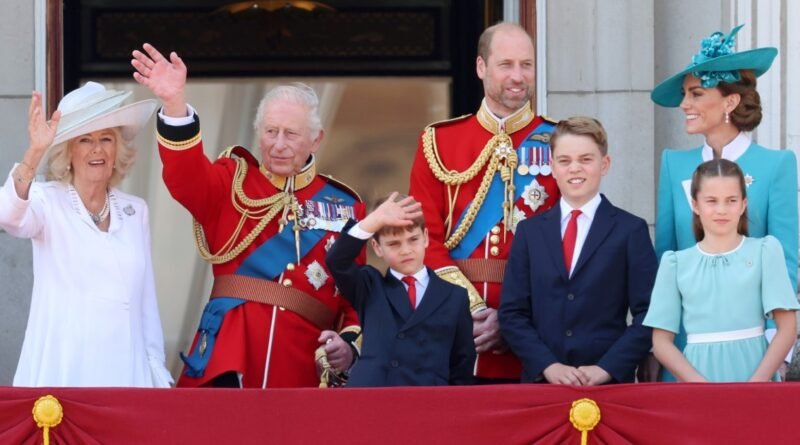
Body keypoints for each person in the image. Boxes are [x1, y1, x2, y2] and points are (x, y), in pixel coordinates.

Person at [131, 44, 364, 388]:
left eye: (291, 134)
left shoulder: (346, 207)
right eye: (270, 132)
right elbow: (186, 178)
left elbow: (356, 298)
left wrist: (348, 345)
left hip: (301, 369)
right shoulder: (231, 181)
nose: (278, 144)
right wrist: (175, 105)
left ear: (316, 140)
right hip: (228, 360)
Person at [409, 21, 559, 382]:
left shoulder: (560, 143)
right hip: (455, 329)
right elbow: (422, 239)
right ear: (481, 68)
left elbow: (570, 246)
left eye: (527, 64)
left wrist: (511, 320)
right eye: (506, 64)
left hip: (534, 337)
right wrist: (472, 309)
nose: (518, 76)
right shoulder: (439, 141)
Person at [0, 83, 172, 387]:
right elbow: (8, 216)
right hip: (64, 373)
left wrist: (155, 372)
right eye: (85, 140)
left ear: (117, 149)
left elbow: (146, 304)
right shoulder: (46, 201)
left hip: (127, 378)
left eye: (106, 138)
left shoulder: (135, 211)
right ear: (68, 152)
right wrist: (34, 153)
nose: (97, 149)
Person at [651, 24, 798, 381]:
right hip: (685, 354)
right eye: (686, 95)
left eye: (697, 94)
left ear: (730, 101)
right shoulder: (674, 163)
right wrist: (658, 350)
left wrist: (775, 351)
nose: (685, 105)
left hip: (754, 353)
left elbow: (788, 262)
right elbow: (664, 255)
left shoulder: (776, 165)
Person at [498, 116, 656, 385]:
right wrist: (547, 365)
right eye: (565, 160)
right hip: (542, 384)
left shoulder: (631, 230)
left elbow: (650, 313)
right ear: (552, 166)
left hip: (608, 385)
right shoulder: (529, 233)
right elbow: (512, 314)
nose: (575, 169)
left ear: (604, 164)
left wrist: (607, 368)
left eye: (586, 159)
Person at [645, 159, 799, 382]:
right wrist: (699, 385)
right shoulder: (675, 264)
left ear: (743, 204)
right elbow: (660, 342)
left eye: (731, 200)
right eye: (711, 201)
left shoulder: (765, 251)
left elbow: (787, 329)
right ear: (695, 205)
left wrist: (755, 385)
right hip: (697, 380)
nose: (721, 210)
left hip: (755, 374)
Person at [325, 193, 475, 386]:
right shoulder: (369, 286)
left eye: (413, 239)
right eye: (394, 243)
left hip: (429, 404)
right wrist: (373, 221)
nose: (406, 250)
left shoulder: (455, 296)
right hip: (373, 400)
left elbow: (461, 365)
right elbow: (337, 261)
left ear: (426, 238)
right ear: (377, 247)